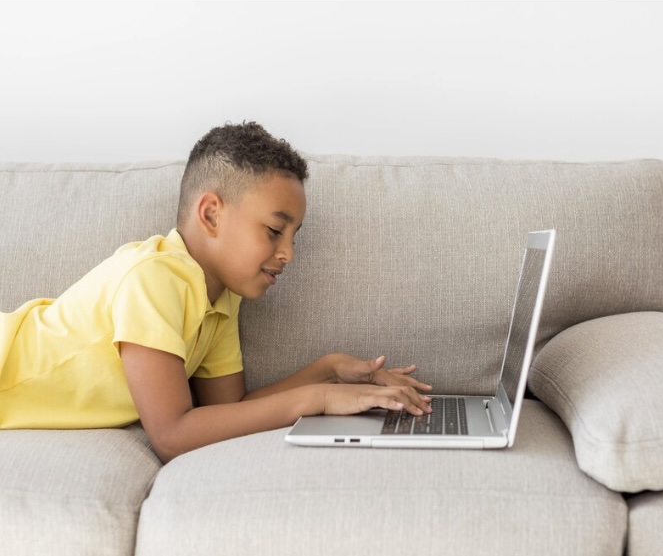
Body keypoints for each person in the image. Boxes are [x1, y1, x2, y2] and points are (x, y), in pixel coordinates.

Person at [0, 121, 432, 463]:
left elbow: (231, 410)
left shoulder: (220, 297)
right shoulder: (154, 279)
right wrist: (318, 398)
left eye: (293, 237)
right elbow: (172, 435)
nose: (288, 254)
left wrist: (329, 370)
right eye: (274, 231)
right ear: (211, 214)